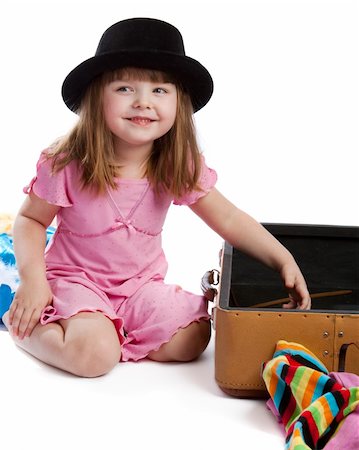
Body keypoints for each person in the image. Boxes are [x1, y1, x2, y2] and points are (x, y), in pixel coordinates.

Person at [2, 18, 311, 377]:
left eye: (159, 91)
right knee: (95, 357)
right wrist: (34, 281)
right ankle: (27, 328)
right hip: (76, 280)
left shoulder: (176, 164)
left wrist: (282, 258)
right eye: (124, 89)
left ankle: (113, 329)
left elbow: (228, 218)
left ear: (178, 104)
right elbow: (31, 220)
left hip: (140, 287)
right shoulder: (68, 163)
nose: (142, 103)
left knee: (194, 338)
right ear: (97, 96)